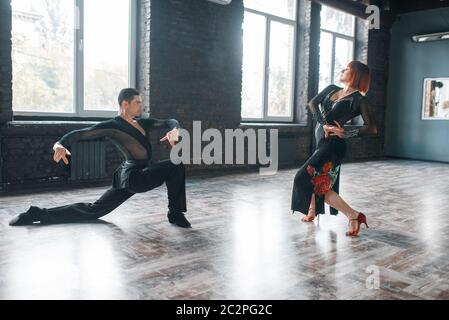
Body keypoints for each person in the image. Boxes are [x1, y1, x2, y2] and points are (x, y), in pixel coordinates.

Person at [9, 88, 191, 228]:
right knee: (175, 165)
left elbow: (169, 121)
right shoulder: (113, 125)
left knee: (93, 210)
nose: (141, 106)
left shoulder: (141, 123)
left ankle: (37, 214)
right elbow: (81, 133)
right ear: (125, 104)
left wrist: (174, 130)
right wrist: (60, 144)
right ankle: (175, 213)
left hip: (133, 176)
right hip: (134, 176)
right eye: (137, 103)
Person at [291, 61, 377, 237]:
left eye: (347, 69)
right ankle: (315, 212)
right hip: (321, 141)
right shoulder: (332, 89)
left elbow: (372, 128)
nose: (343, 70)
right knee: (316, 179)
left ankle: (352, 214)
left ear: (355, 74)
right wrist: (325, 125)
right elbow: (312, 104)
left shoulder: (360, 100)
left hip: (334, 146)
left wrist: (345, 132)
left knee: (303, 177)